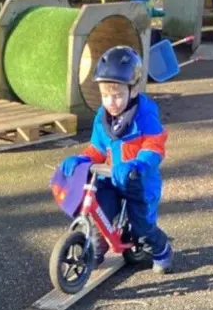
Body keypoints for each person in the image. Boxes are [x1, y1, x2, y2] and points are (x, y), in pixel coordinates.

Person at [58, 45, 173, 274]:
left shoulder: (145, 114)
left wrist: (138, 164)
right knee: (101, 212)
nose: (111, 102)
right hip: (111, 177)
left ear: (133, 89)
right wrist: (82, 159)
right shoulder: (103, 117)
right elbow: (98, 148)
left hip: (138, 181)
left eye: (118, 95)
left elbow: (154, 146)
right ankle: (95, 250)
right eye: (105, 95)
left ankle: (162, 249)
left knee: (142, 228)